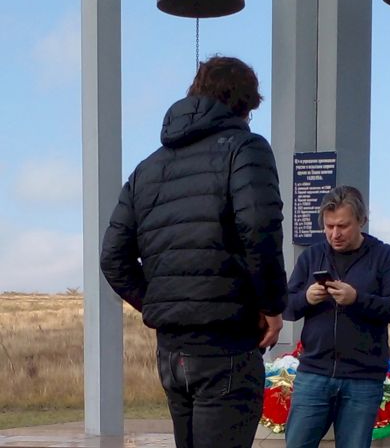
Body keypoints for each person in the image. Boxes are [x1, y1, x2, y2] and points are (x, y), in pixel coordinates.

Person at [100, 55, 287, 448]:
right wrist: (271, 306)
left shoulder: (147, 169)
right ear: (245, 104)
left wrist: (164, 303)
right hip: (227, 344)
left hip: (172, 352)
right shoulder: (246, 149)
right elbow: (258, 227)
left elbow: (113, 257)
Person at [284, 185, 390, 448]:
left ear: (361, 221)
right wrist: (306, 298)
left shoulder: (384, 256)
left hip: (363, 378)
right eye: (329, 226)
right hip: (314, 373)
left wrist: (357, 299)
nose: (335, 234)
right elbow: (286, 307)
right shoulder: (312, 256)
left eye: (343, 226)